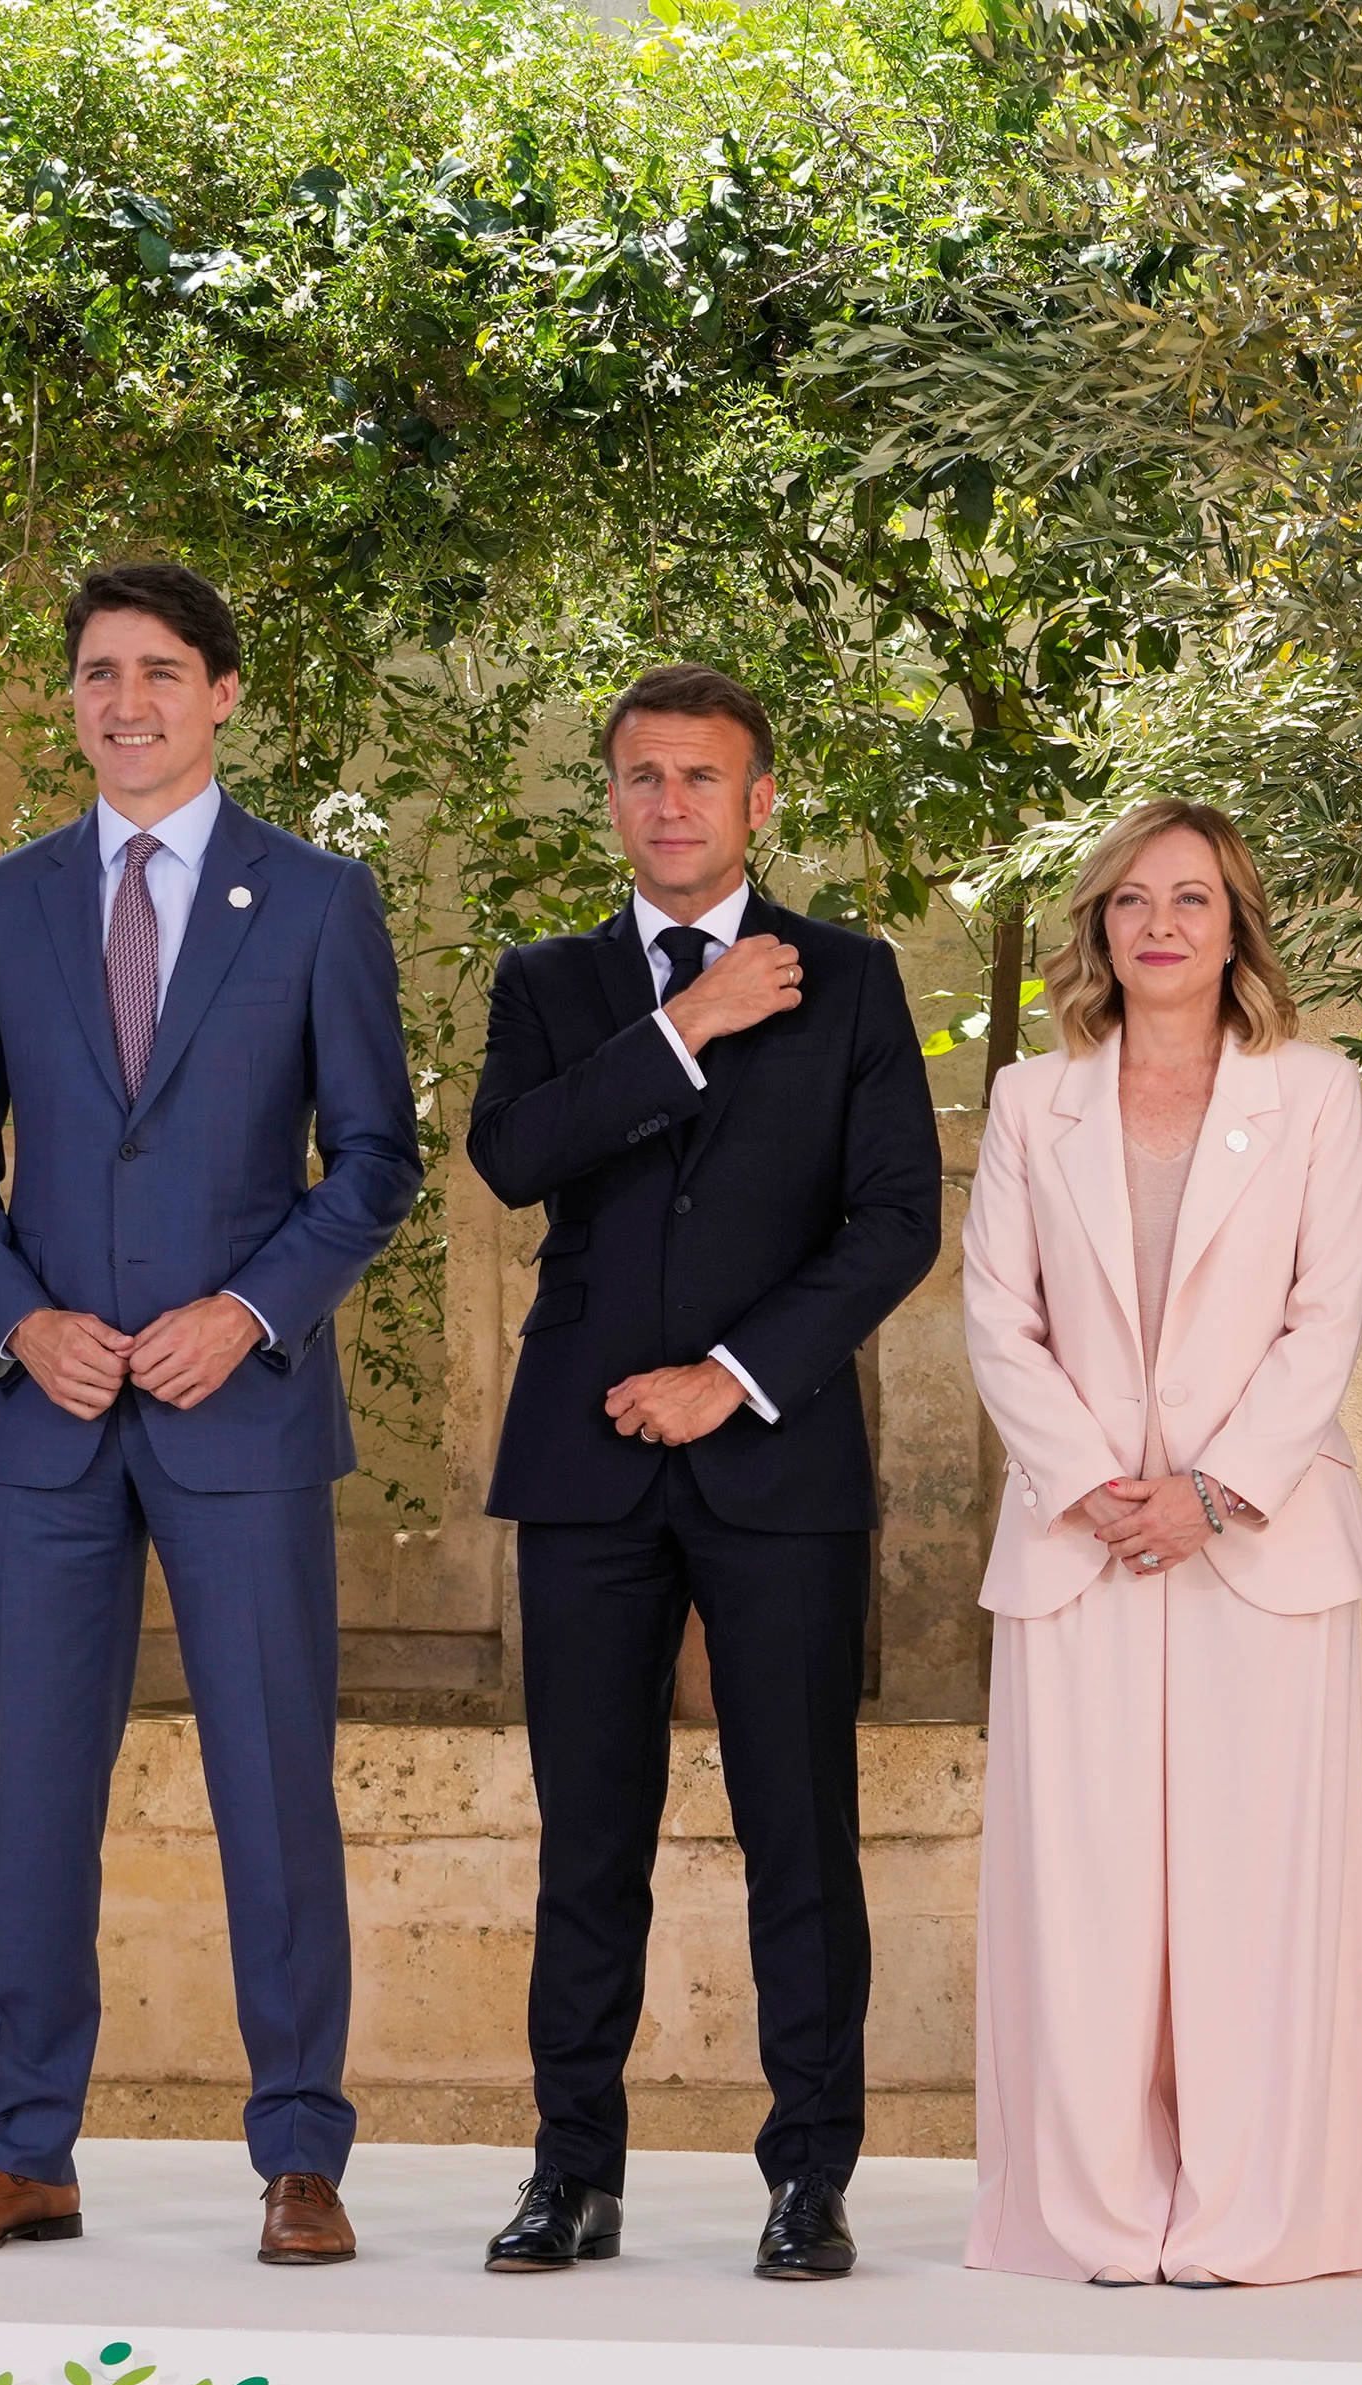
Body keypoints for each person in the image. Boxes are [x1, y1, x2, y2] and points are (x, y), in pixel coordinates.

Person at [0, 564, 422, 2266]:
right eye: (101, 674)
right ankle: (24, 2147)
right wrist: (19, 1319)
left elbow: (378, 1161)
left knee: (276, 1788)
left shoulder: (321, 903)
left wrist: (250, 1310)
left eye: (163, 672)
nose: (128, 701)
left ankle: (300, 2155)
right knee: (35, 1788)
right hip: (47, 1421)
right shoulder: (1, 903)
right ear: (74, 699)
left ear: (224, 695)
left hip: (239, 1412)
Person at [463, 664, 943, 2283]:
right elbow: (515, 1156)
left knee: (801, 1831)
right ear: (614, 796)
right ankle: (570, 2173)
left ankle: (810, 2180)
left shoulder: (857, 979)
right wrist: (685, 1025)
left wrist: (728, 1382)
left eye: (701, 777)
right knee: (586, 1835)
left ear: (761, 801)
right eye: (643, 777)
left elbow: (895, 1223)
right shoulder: (549, 981)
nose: (669, 802)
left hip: (778, 1463)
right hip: (583, 1467)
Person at [957, 800, 1362, 2287]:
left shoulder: (1318, 1094)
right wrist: (1095, 1483)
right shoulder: (1032, 1101)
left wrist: (1207, 1494)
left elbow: (1324, 1316)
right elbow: (997, 1320)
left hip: (1256, 1548)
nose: (1160, 923)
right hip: (1078, 1547)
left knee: (1251, 1892)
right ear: (1098, 922)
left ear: (1234, 926)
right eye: (1134, 897)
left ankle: (1253, 2216)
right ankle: (1085, 2213)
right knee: (1079, 1896)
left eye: (1192, 899)